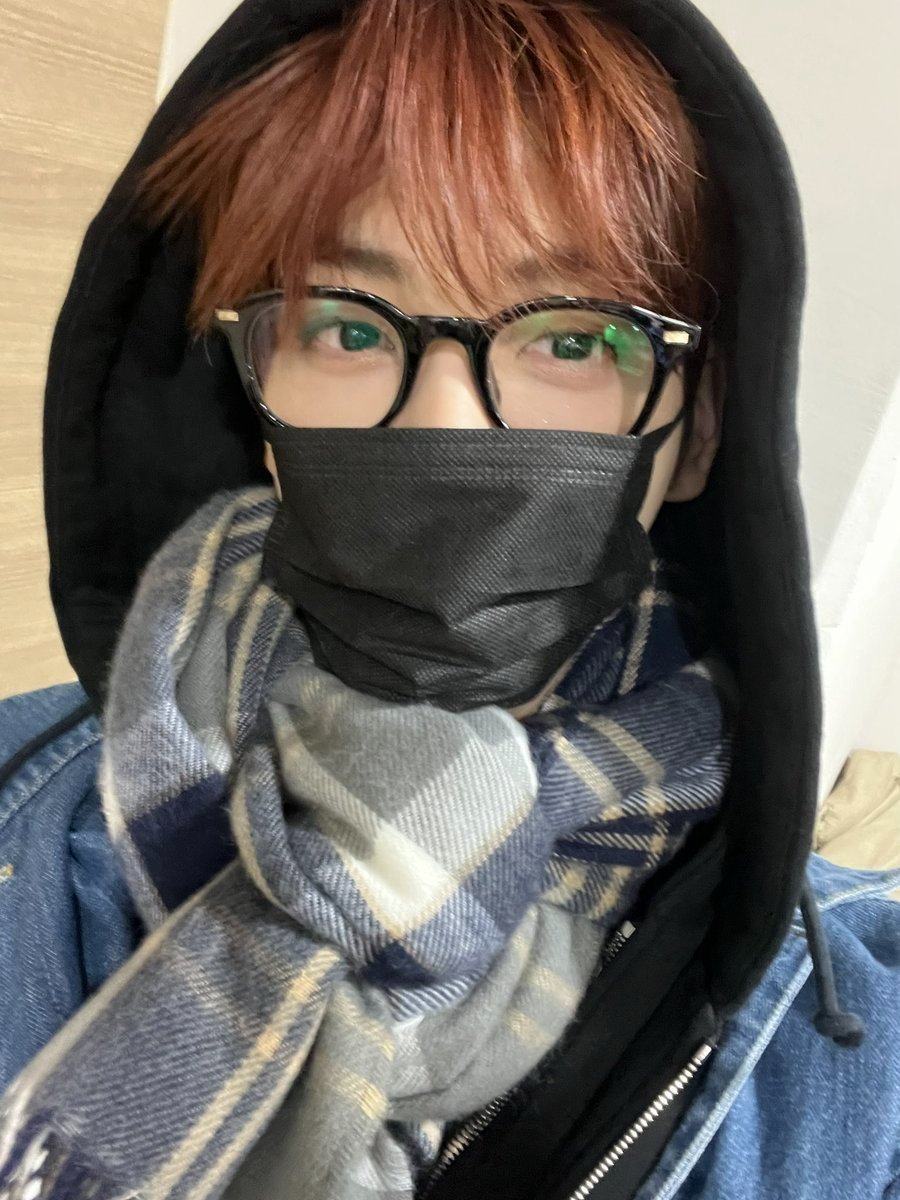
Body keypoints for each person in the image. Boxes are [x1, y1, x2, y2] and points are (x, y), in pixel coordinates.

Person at [0, 1, 898, 1198]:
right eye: (346, 326)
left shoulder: (859, 1061)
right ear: (252, 396)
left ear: (696, 434)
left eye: (573, 340)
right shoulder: (20, 802)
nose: (448, 426)